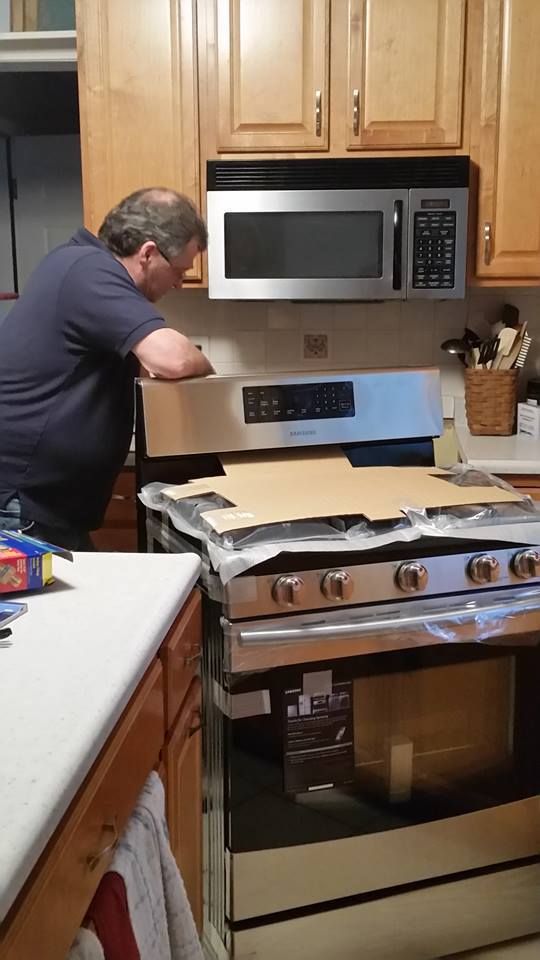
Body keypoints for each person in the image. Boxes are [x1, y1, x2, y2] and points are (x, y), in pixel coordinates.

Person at [0, 186, 214, 550]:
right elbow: (172, 358)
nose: (180, 282)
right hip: (21, 506)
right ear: (148, 253)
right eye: (179, 269)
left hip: (39, 505)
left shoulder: (80, 266)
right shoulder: (90, 270)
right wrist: (205, 364)